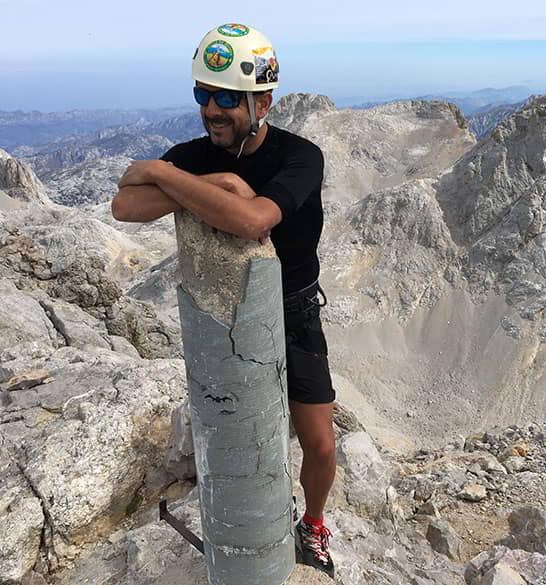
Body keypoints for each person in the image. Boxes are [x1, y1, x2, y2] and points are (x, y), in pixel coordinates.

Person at [111, 23, 336, 578]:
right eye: (203, 95)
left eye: (227, 98)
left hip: (296, 311)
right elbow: (125, 205)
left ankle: (312, 523)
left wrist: (169, 176)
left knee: (321, 444)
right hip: (224, 319)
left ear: (263, 99)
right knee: (236, 437)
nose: (211, 110)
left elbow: (254, 220)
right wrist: (212, 182)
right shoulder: (190, 155)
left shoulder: (299, 156)